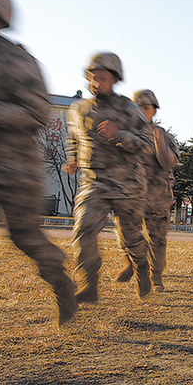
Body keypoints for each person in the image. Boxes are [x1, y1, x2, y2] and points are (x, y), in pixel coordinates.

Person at [0, 0, 77, 326]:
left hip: (16, 168)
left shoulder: (18, 60)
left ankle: (62, 284)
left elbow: (38, 113)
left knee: (25, 238)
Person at [65, 53, 153, 303]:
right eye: (92, 77)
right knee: (83, 231)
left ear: (115, 80)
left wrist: (120, 134)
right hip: (94, 182)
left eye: (102, 78)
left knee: (131, 238)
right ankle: (89, 285)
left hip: (128, 185)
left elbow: (147, 147)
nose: (96, 82)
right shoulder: (78, 109)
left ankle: (142, 270)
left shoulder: (129, 109)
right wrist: (73, 159)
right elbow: (73, 136)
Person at [115, 89, 180, 291]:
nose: (142, 112)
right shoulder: (123, 134)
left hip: (157, 195)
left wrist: (160, 143)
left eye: (146, 108)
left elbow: (169, 163)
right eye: (138, 108)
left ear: (154, 110)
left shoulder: (164, 136)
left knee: (158, 240)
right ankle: (132, 261)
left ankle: (156, 276)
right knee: (125, 232)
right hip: (130, 193)